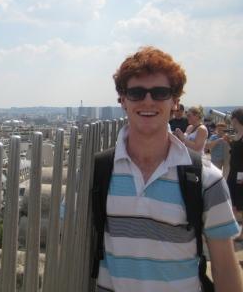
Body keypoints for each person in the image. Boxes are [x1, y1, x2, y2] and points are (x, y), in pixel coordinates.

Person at [96, 46, 242, 292]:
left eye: (160, 93)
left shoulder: (206, 180)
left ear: (175, 101)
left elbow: (225, 268)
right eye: (136, 92)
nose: (148, 101)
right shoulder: (98, 172)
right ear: (122, 100)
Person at [225, 108, 243, 240]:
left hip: (241, 175)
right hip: (234, 173)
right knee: (234, 203)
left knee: (240, 203)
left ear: (236, 119)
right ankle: (238, 231)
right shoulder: (237, 134)